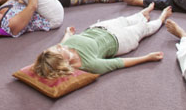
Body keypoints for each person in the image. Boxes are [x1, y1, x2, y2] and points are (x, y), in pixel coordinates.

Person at [31, 5, 171, 77]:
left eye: (57, 47)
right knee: (144, 28)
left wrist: (68, 33)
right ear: (64, 62)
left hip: (99, 28)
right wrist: (147, 58)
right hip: (119, 40)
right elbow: (118, 63)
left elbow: (62, 43)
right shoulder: (89, 64)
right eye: (59, 50)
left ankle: (143, 14)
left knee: (126, 20)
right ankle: (162, 18)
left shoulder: (60, 50)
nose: (60, 46)